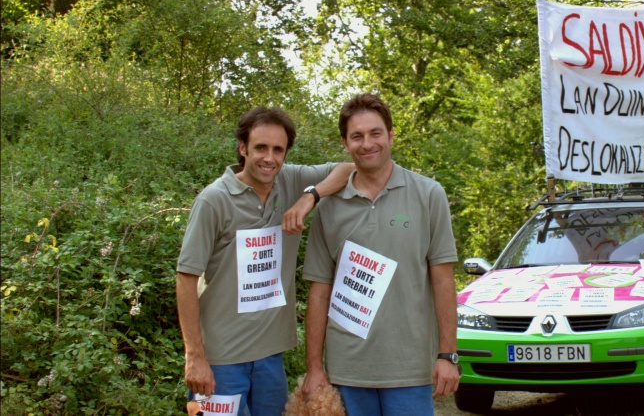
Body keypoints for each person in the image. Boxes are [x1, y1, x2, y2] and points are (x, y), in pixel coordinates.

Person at [176, 106, 354, 416]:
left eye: (278, 150)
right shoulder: (213, 200)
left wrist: (309, 197)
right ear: (243, 148)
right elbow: (185, 277)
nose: (269, 158)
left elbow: (350, 169)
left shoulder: (291, 181)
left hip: (271, 359)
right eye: (260, 147)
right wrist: (195, 356)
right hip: (220, 360)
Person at [301, 93, 461, 416]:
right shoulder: (329, 207)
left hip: (410, 369)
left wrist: (448, 355)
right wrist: (314, 367)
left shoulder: (428, 194)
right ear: (345, 143)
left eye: (375, 133)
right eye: (357, 136)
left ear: (391, 135)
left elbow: (443, 281)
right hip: (346, 371)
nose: (367, 143)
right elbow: (319, 293)